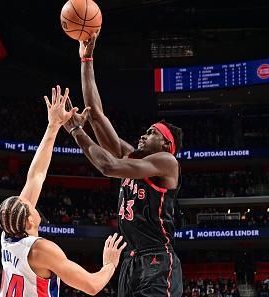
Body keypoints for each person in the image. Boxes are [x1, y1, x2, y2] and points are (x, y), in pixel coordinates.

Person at [63, 32, 184, 297]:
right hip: (130, 261)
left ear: (166, 145)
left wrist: (76, 132)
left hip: (158, 261)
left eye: (152, 132)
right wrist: (87, 59)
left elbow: (108, 167)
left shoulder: (166, 162)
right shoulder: (133, 156)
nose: (144, 134)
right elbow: (95, 114)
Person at [0, 86, 126, 297]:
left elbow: (36, 175)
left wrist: (53, 126)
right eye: (29, 206)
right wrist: (109, 264)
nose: (31, 201)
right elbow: (92, 286)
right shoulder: (41, 250)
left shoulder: (8, 234)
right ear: (29, 221)